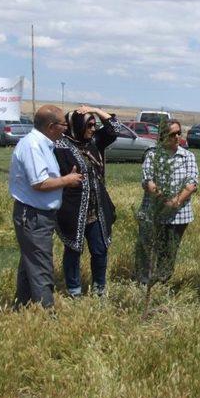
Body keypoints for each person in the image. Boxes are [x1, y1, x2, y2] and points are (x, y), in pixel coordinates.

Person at [8, 105, 83, 308]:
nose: (65, 129)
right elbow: (39, 183)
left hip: (39, 215)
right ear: (51, 126)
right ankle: (46, 314)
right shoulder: (33, 146)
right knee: (41, 266)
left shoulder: (43, 144)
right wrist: (68, 180)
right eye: (63, 125)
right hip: (33, 216)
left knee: (30, 263)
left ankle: (20, 307)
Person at [54, 106, 121, 297]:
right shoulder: (60, 147)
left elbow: (115, 129)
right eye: (89, 125)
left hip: (97, 209)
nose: (93, 128)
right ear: (76, 126)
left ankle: (99, 289)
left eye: (94, 124)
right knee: (73, 251)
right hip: (72, 211)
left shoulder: (95, 142)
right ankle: (74, 291)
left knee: (100, 250)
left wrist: (95, 110)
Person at [134, 119, 199, 284]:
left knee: (169, 250)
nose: (177, 137)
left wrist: (176, 201)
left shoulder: (188, 156)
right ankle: (144, 282)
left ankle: (162, 281)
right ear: (163, 136)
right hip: (152, 212)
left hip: (179, 215)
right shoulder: (152, 155)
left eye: (179, 133)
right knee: (146, 249)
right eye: (172, 134)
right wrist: (164, 200)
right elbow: (147, 181)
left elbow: (192, 183)